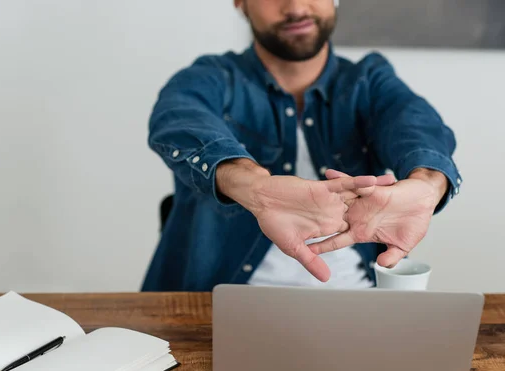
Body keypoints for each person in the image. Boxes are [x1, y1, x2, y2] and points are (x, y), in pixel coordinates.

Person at [142, 0, 462, 291]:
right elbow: (178, 119)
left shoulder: (369, 79)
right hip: (215, 310)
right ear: (240, 3)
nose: (295, 7)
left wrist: (428, 183)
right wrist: (254, 187)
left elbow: (417, 124)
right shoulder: (210, 77)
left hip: (359, 306)